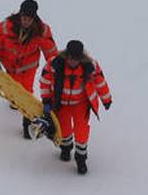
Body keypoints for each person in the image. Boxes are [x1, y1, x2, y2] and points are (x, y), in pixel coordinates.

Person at [38, 40, 112, 174]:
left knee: (81, 131)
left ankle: (81, 159)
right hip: (61, 103)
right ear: (67, 55)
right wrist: (46, 100)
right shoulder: (54, 63)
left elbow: (100, 82)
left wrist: (106, 99)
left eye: (76, 59)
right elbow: (45, 81)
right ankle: (66, 148)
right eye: (71, 58)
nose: (73, 61)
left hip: (81, 104)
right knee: (64, 129)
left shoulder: (91, 66)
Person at [0, 0, 58, 137]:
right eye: (23, 17)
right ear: (20, 15)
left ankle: (27, 124)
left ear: (34, 18)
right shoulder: (6, 26)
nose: (26, 21)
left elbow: (50, 51)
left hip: (28, 67)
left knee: (26, 94)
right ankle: (14, 102)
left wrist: (54, 67)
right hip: (10, 66)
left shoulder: (42, 31)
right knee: (13, 88)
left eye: (29, 18)